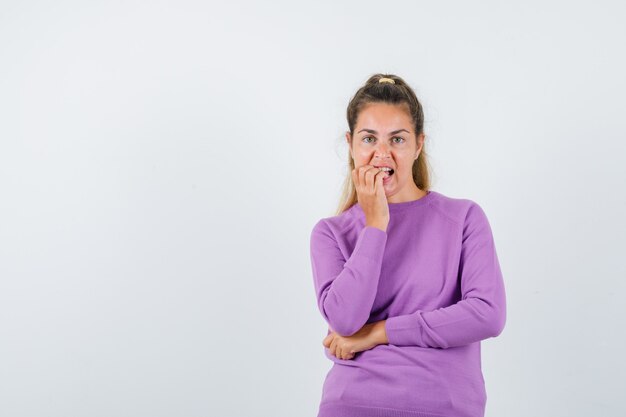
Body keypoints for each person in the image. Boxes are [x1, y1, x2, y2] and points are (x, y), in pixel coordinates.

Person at [309, 73, 507, 417]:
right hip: (353, 405)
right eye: (369, 138)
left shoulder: (463, 219)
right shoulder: (331, 233)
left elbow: (486, 315)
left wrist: (379, 333)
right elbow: (344, 321)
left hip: (442, 407)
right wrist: (376, 226)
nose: (381, 154)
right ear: (351, 145)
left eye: (397, 139)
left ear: (418, 144)